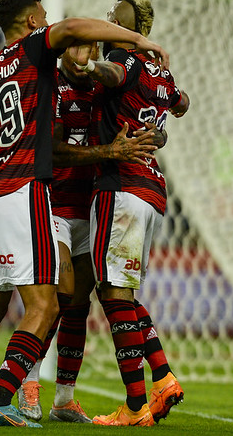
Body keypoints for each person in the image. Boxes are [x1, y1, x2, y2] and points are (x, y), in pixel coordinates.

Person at [0, 0, 169, 427]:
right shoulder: (31, 51)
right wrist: (137, 41)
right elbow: (68, 30)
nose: (49, 24)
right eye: (43, 18)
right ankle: (0, 400)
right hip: (21, 189)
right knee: (46, 306)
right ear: (31, 24)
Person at [16, 45, 161, 424]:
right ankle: (27, 386)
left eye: (90, 48)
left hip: (93, 209)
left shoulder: (104, 90)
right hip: (53, 206)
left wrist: (152, 138)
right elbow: (51, 153)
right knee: (58, 297)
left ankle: (64, 399)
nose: (82, 54)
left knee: (79, 307)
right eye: (75, 46)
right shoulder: (50, 88)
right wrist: (108, 152)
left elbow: (145, 121)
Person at [78, 0, 190, 426]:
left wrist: (89, 68)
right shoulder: (160, 72)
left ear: (131, 28)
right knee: (117, 293)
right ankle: (161, 379)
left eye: (114, 16)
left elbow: (111, 73)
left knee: (113, 293)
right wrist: (158, 123)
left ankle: (137, 404)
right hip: (149, 190)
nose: (107, 20)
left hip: (119, 185)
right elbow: (182, 103)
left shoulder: (127, 61)